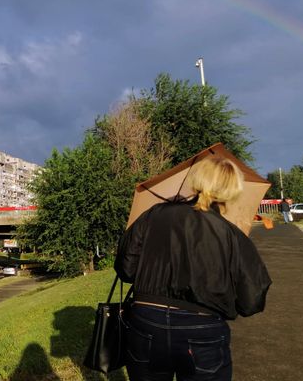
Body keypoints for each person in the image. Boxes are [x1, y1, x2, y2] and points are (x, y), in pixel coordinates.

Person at [115, 157, 271, 381]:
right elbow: (252, 299)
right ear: (231, 191)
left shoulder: (153, 214)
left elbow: (126, 269)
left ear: (197, 180)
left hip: (146, 322)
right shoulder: (230, 234)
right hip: (202, 330)